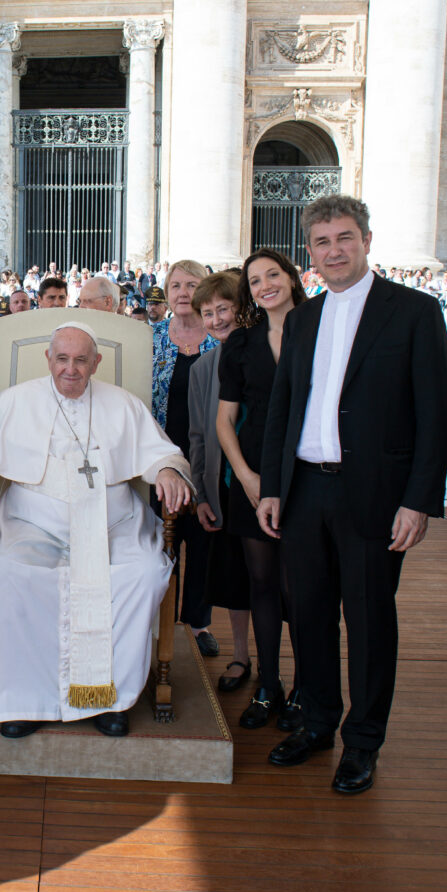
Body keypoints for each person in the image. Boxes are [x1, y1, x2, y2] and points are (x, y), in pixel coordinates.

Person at [257, 194, 447, 793]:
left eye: (344, 238)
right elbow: (284, 408)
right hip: (305, 491)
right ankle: (317, 723)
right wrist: (272, 488)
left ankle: (363, 742)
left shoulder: (414, 312)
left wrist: (418, 500)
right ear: (308, 253)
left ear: (366, 240)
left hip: (374, 495)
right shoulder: (305, 318)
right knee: (310, 616)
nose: (333, 251)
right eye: (321, 242)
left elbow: (436, 412)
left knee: (369, 622)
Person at [0, 323, 193, 738]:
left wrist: (168, 471)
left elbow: (162, 452)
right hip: (31, 523)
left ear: (96, 362)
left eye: (80, 360)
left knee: (143, 572)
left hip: (114, 524)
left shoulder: (123, 405)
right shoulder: (17, 401)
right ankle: (24, 699)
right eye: (62, 359)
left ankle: (106, 697)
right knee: (4, 571)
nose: (70, 369)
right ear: (48, 359)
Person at [219, 249, 305, 729]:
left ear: (291, 278)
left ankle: (304, 688)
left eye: (273, 274)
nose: (265, 284)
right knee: (263, 585)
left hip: (307, 477)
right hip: (252, 478)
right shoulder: (241, 343)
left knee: (302, 588)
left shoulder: (317, 331)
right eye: (255, 280)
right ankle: (269, 685)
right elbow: (224, 420)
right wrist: (246, 478)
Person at [187, 271, 253, 692]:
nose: (215, 320)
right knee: (239, 578)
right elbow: (198, 436)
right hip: (226, 488)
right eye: (207, 313)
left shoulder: (270, 353)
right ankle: (242, 656)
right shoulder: (204, 367)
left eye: (223, 309)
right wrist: (202, 494)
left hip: (269, 485)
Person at [152, 260, 220, 656]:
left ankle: (198, 622)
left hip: (209, 456)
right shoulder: (152, 337)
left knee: (203, 542)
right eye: (175, 284)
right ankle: (160, 617)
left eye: (191, 284)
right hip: (162, 457)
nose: (182, 292)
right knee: (162, 539)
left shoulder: (218, 338)